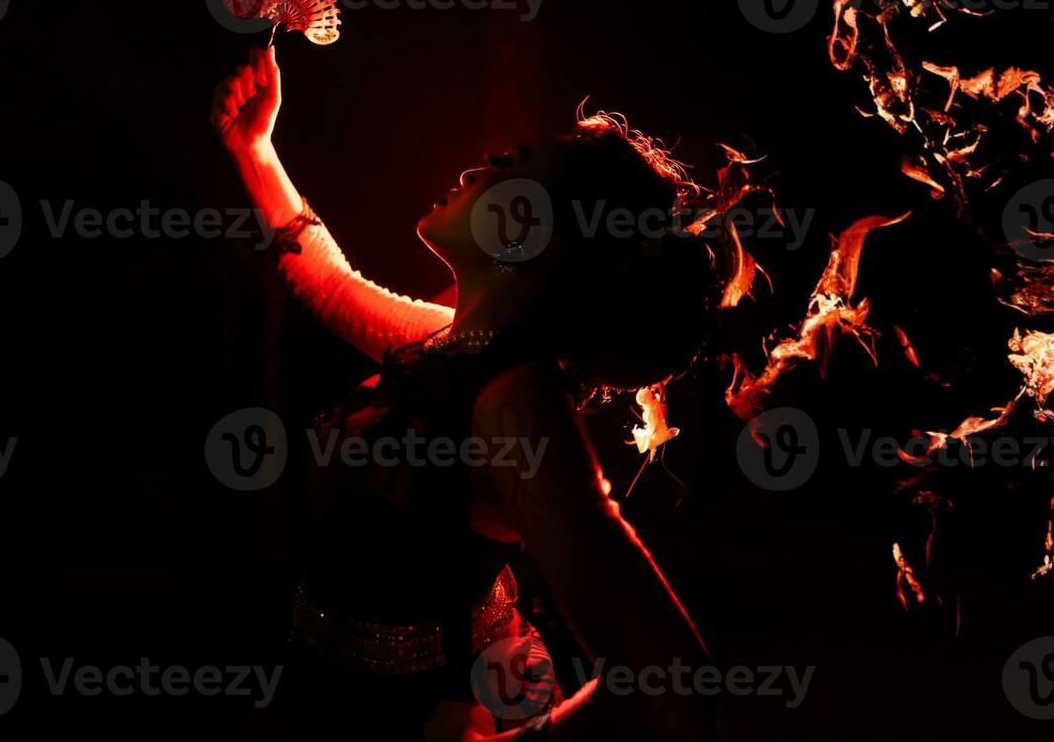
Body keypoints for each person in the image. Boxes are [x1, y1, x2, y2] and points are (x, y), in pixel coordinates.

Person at [213, 46, 733, 739]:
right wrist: (253, 148)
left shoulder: (514, 406)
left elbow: (674, 683)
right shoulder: (446, 342)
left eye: (507, 165)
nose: (470, 169)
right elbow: (329, 286)